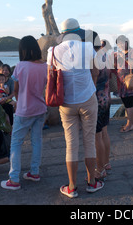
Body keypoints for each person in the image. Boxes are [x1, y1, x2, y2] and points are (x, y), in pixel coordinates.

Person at [47, 18, 103, 198]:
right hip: (88, 99)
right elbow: (96, 71)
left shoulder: (53, 51)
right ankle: (92, 182)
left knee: (71, 145)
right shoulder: (87, 48)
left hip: (66, 103)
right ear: (78, 32)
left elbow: (51, 75)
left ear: (63, 34)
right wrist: (91, 86)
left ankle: (71, 187)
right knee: (89, 142)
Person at [1, 36, 48, 190]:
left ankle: (14, 179)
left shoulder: (20, 66)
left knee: (16, 143)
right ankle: (34, 172)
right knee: (37, 140)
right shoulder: (45, 66)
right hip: (40, 108)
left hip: (24, 110)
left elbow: (15, 90)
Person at [113, 35, 133, 132]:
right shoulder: (118, 53)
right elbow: (115, 66)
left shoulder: (132, 52)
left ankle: (130, 124)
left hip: (129, 81)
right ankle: (130, 123)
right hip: (121, 82)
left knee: (129, 103)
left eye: (121, 42)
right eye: (118, 43)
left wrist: (123, 57)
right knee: (126, 103)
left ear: (126, 42)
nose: (120, 45)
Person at [94, 39, 112, 180]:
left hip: (97, 100)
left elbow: (93, 82)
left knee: (97, 136)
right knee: (105, 132)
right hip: (106, 98)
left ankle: (99, 168)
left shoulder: (94, 59)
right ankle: (106, 163)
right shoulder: (107, 59)